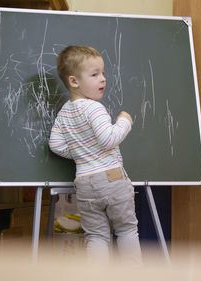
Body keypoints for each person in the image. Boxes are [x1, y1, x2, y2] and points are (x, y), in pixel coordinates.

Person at [49, 46, 142, 265]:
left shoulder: (65, 112)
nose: (103, 79)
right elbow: (109, 139)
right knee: (127, 229)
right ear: (74, 81)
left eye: (103, 73)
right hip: (111, 179)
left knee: (97, 236)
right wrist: (125, 121)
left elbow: (55, 144)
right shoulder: (94, 108)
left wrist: (81, 151)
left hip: (84, 183)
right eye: (94, 74)